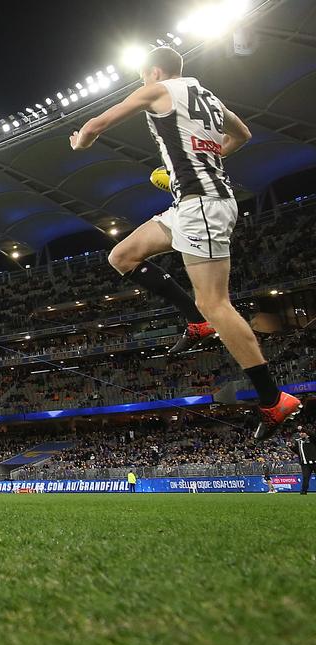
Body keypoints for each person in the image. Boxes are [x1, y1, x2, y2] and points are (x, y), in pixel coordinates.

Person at [70, 45, 300, 440]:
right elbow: (242, 134)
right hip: (190, 203)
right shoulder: (208, 96)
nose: (142, 83)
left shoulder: (157, 89)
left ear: (154, 72)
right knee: (122, 255)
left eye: (143, 76)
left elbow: (95, 125)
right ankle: (195, 322)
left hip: (204, 207)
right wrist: (207, 159)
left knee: (217, 303)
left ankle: (272, 398)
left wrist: (80, 142)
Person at [295, 428, 314, 495]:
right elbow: (298, 452)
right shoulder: (299, 442)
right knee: (305, 478)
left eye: (303, 432)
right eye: (300, 432)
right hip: (305, 464)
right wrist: (291, 447)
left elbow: (312, 435)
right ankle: (303, 492)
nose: (301, 434)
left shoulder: (312, 439)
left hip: (314, 462)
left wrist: (304, 429)